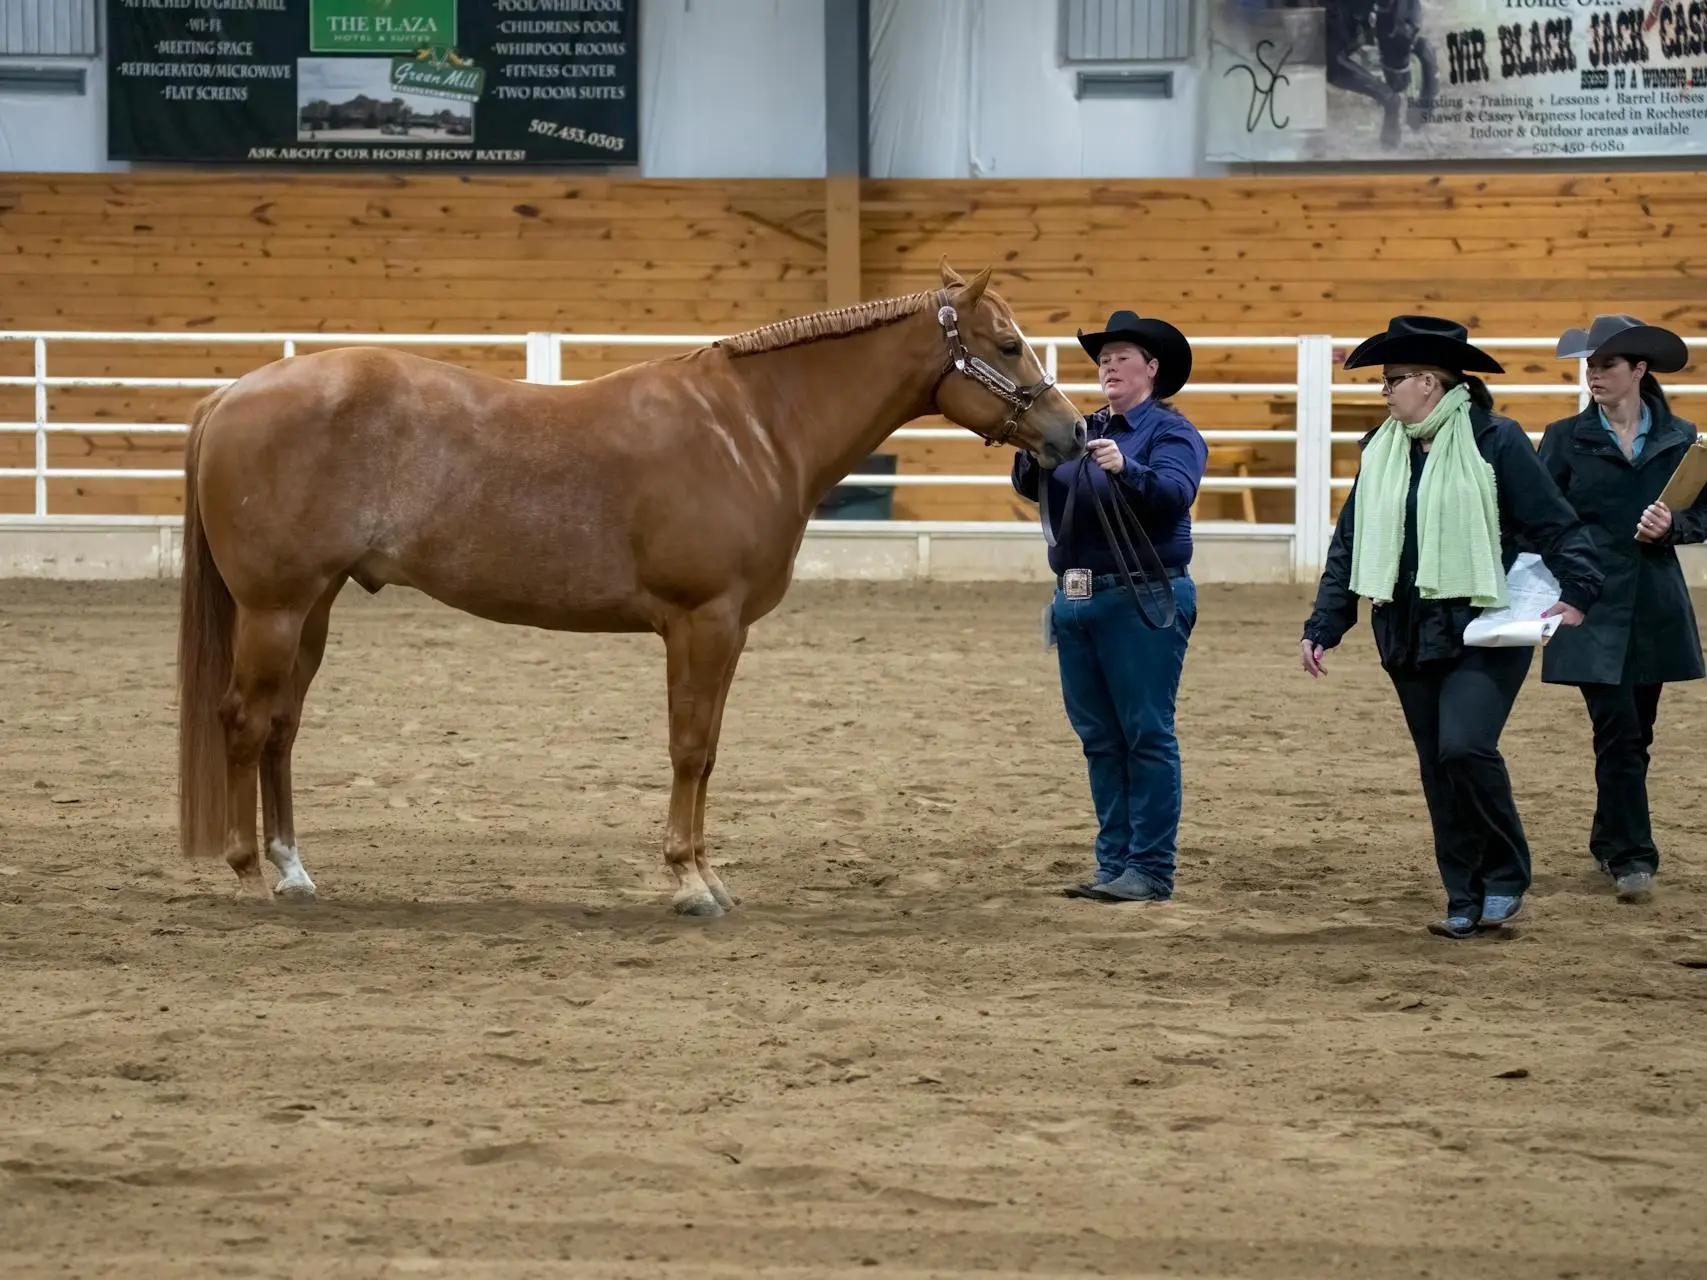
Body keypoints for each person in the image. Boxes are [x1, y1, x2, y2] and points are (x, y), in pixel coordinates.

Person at [1298, 315, 1603, 939]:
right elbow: (1351, 540)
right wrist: (1326, 622)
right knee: (1438, 765)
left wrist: (1579, 591)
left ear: (1431, 383)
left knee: (1464, 746)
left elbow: (1555, 522)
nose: (1384, 393)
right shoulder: (1380, 450)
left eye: (1393, 381)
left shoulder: (1497, 440)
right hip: (1406, 626)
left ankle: (1505, 873)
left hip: (1481, 623)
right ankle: (1462, 894)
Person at [1012, 310, 1208, 904]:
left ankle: (1149, 867)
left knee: (1145, 733)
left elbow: (1176, 494)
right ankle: (1114, 863)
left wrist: (1130, 469)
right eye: (1104, 357)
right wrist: (1029, 448)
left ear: (1152, 369)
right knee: (1099, 736)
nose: (1109, 365)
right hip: (1078, 596)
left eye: (1123, 355)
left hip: (1142, 593)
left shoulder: (1172, 434)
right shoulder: (1082, 427)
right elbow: (1033, 485)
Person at [1537, 315, 1707, 905]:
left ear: (1638, 369)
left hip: (1655, 604)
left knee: (1637, 735)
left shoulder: (1683, 438)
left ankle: (1610, 839)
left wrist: (1675, 525)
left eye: (1606, 365)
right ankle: (1634, 855)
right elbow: (1539, 514)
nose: (1593, 376)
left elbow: (1704, 516)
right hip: (1589, 602)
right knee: (1620, 730)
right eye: (1590, 366)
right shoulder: (1563, 438)